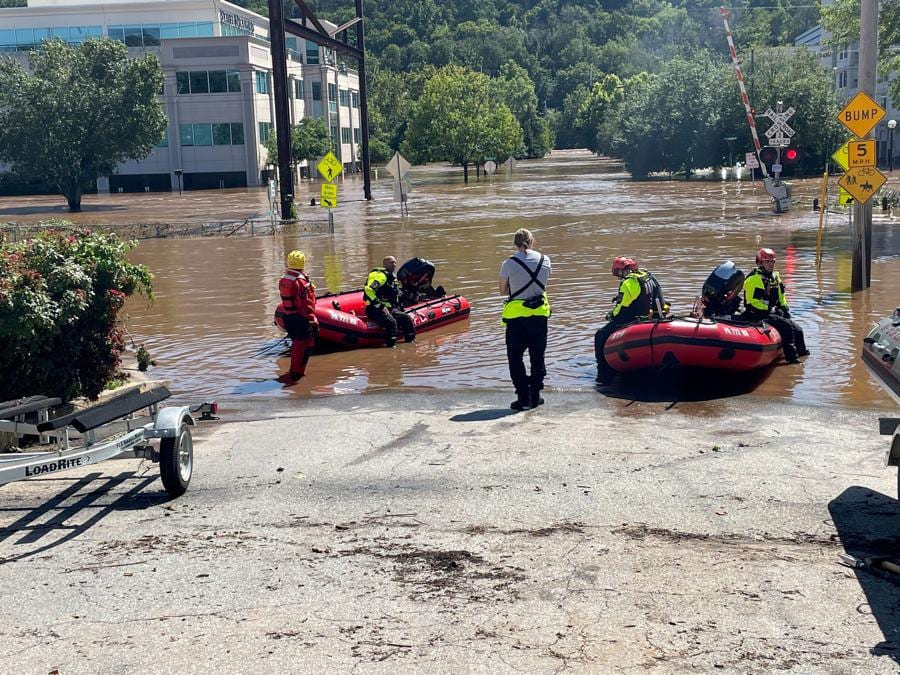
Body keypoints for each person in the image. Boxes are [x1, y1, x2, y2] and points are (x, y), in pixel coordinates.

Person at [499, 228, 551, 411]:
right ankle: (536, 396)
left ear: (515, 243)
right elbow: (542, 285)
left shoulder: (508, 264)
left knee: (515, 358)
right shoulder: (546, 260)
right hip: (540, 317)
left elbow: (503, 291)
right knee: (537, 358)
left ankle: (523, 398)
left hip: (516, 319)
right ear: (532, 241)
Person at [594, 256, 667, 384]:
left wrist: (610, 315)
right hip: (652, 319)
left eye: (618, 273)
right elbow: (660, 299)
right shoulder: (648, 276)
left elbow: (621, 309)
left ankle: (603, 373)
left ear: (622, 271)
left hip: (633, 320)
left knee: (600, 335)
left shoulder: (628, 283)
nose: (618, 277)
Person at [741, 247, 809, 363]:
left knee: (798, 330)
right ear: (760, 263)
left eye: (773, 261)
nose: (771, 264)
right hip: (757, 314)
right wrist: (770, 310)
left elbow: (781, 296)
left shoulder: (775, 277)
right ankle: (792, 360)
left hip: (771, 312)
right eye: (767, 261)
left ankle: (803, 354)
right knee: (786, 327)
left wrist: (784, 308)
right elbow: (753, 302)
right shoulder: (754, 279)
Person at [277, 249, 319, 383]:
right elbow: (305, 303)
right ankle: (297, 373)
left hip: (288, 317)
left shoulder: (284, 278)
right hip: (300, 318)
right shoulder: (301, 281)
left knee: (297, 345)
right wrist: (312, 319)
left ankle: (294, 371)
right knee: (305, 345)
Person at [364, 256, 416, 347]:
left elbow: (394, 293)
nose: (394, 265)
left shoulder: (392, 276)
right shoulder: (379, 275)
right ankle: (390, 347)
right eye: (391, 262)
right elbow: (368, 290)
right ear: (385, 264)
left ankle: (410, 344)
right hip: (375, 308)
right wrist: (380, 306)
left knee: (406, 318)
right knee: (391, 322)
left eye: (395, 262)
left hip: (389, 307)